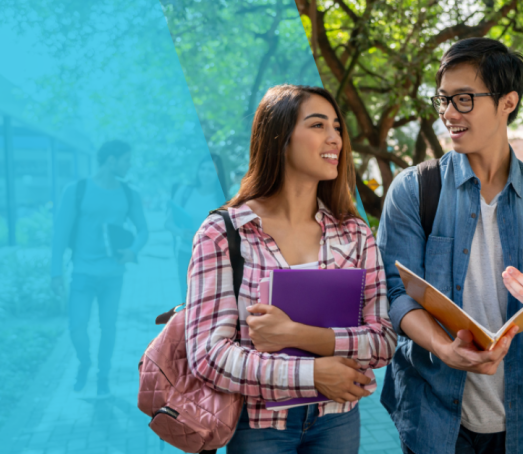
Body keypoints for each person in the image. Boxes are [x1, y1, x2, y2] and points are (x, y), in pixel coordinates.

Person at [377, 38, 523, 454]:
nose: (448, 113)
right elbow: (395, 293)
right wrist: (443, 348)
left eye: (464, 99)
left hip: (513, 419)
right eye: (444, 99)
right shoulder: (414, 189)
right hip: (429, 414)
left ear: (508, 102)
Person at [184, 84, 396, 454]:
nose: (335, 138)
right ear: (279, 138)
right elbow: (208, 356)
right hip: (259, 426)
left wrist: (294, 334)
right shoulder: (223, 233)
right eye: (317, 125)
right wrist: (313, 374)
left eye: (337, 128)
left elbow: (383, 342)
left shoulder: (355, 233)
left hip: (338, 419)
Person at [51, 140, 149, 396]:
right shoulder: (77, 190)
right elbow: (60, 234)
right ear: (111, 160)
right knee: (77, 327)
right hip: (82, 273)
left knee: (108, 327)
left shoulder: (129, 193)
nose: (129, 165)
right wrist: (55, 273)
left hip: (113, 274)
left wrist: (132, 251)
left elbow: (143, 230)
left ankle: (103, 376)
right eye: (126, 160)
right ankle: (84, 362)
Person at [165, 154, 228, 302]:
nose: (205, 173)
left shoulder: (225, 199)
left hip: (213, 257)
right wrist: (182, 232)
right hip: (186, 254)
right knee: (188, 299)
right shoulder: (185, 192)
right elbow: (168, 223)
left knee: (209, 301)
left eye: (211, 170)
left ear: (219, 173)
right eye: (202, 168)